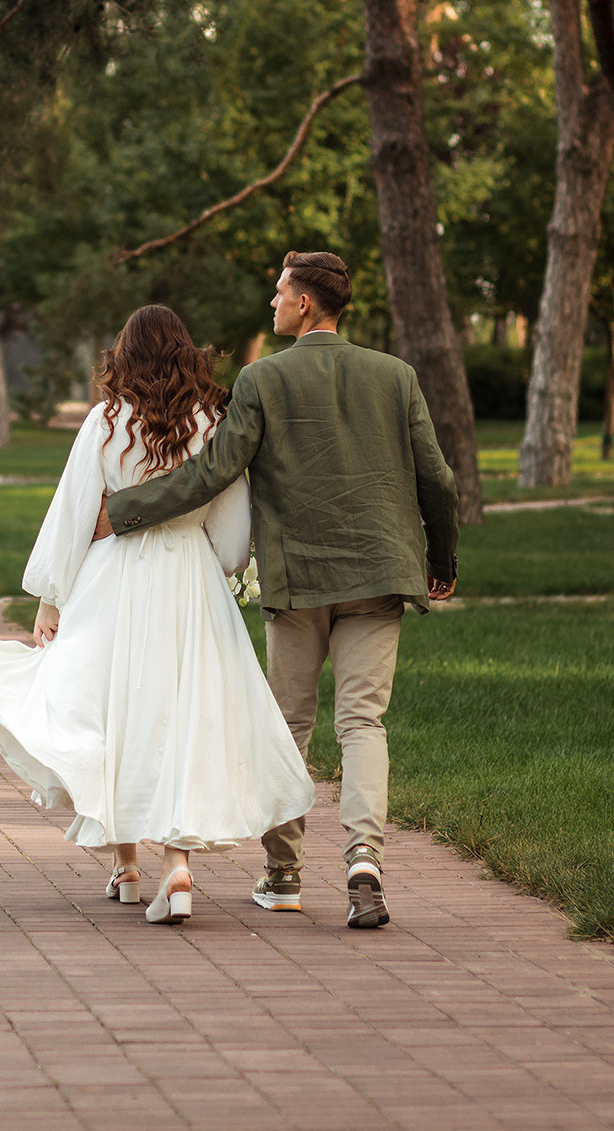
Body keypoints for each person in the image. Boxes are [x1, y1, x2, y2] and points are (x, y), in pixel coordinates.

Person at [95, 251, 459, 929]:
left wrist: (123, 510)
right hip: (381, 572)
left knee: (288, 724)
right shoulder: (396, 376)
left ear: (306, 305)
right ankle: (364, 861)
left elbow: (210, 474)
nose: (272, 303)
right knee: (362, 722)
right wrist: (442, 557)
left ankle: (284, 874)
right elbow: (436, 478)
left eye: (279, 293)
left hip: (298, 580)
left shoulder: (262, 380)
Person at [0, 305, 315, 926]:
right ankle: (175, 865)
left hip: (116, 577)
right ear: (187, 354)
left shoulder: (106, 423)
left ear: (122, 356)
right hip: (189, 580)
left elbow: (75, 512)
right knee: (178, 715)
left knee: (114, 707)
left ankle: (125, 864)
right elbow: (234, 533)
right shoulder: (212, 423)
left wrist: (51, 598)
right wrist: (221, 565)